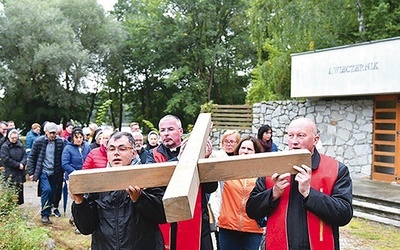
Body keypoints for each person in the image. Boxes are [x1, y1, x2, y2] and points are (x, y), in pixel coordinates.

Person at [246, 117, 353, 250]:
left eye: (301, 136)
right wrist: (273, 193)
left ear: (315, 140)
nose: (294, 141)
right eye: (290, 136)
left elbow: (344, 214)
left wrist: (309, 193)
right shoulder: (272, 167)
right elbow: (251, 210)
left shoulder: (336, 169)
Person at [71, 131, 167, 249]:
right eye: (111, 149)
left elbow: (162, 216)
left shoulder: (147, 178)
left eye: (122, 149)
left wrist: (140, 199)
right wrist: (79, 202)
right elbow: (86, 228)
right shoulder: (97, 183)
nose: (116, 153)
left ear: (133, 153)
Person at [147, 115, 217, 250]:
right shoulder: (150, 155)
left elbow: (211, 188)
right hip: (164, 217)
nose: (166, 133)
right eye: (162, 130)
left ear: (181, 131)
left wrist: (206, 161)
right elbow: (153, 182)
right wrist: (179, 160)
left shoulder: (196, 151)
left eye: (170, 129)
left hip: (196, 219)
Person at [218, 137, 264, 250]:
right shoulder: (228, 170)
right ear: (238, 150)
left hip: (252, 229)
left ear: (256, 153)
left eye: (249, 149)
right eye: (243, 148)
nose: (245, 151)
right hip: (228, 227)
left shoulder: (262, 174)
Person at [209, 129, 241, 250]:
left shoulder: (241, 158)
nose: (229, 144)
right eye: (226, 141)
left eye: (232, 141)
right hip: (219, 200)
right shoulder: (216, 156)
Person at [27, 122, 65, 224]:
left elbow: (63, 157)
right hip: (43, 171)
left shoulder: (60, 142)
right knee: (47, 190)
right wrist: (31, 172)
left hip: (55, 172)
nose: (52, 135)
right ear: (46, 132)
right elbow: (32, 157)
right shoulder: (38, 142)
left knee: (52, 193)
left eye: (54, 133)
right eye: (51, 133)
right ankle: (44, 214)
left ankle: (47, 213)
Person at [0, 128, 27, 205]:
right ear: (9, 137)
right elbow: (6, 159)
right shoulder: (5, 147)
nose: (14, 139)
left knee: (19, 191)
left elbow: (25, 155)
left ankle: (19, 205)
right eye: (13, 138)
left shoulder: (20, 145)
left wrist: (23, 163)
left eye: (16, 137)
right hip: (10, 171)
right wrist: (18, 165)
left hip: (20, 172)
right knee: (11, 191)